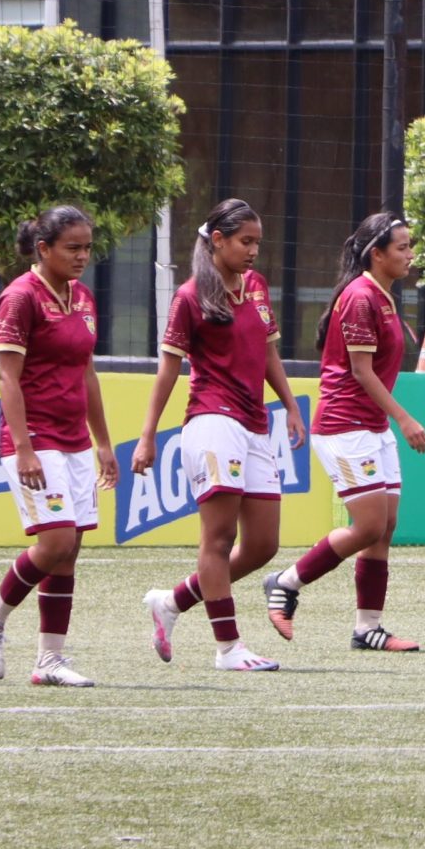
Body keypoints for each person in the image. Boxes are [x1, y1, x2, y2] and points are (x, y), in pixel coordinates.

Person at [136, 199, 306, 672]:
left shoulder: (256, 287)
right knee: (218, 536)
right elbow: (168, 369)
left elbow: (269, 353)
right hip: (212, 422)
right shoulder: (190, 297)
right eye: (245, 241)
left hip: (256, 424)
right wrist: (148, 435)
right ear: (217, 241)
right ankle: (228, 648)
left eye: (257, 242)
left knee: (262, 545)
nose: (254, 251)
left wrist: (290, 405)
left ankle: (170, 603)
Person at [264, 213, 425, 652]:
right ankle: (285, 581)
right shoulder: (361, 297)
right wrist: (405, 418)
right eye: (401, 247)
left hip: (371, 427)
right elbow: (360, 372)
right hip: (344, 426)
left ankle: (368, 628)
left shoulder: (383, 295)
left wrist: (389, 420)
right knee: (368, 524)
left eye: (409, 246)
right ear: (376, 254)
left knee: (386, 525)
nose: (410, 254)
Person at [0, 206, 115, 687]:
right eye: (72, 248)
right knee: (53, 541)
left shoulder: (85, 298)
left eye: (87, 248)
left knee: (69, 548)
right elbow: (6, 378)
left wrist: (104, 443)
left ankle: (49, 661)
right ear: (44, 248)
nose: (82, 256)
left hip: (74, 438)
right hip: (34, 438)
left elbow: (88, 374)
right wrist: (25, 448)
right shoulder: (19, 297)